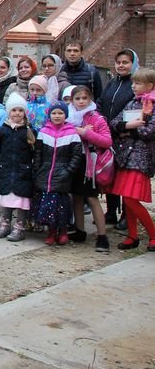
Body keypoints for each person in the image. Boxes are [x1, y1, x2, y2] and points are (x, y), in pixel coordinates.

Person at [108, 67, 155, 251]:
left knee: (130, 199)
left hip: (141, 157)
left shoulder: (152, 105)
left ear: (149, 85)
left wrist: (130, 130)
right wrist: (128, 125)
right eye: (133, 82)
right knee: (126, 198)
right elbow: (115, 122)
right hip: (125, 156)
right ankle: (132, 235)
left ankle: (152, 234)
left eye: (138, 83)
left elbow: (149, 131)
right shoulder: (133, 103)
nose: (133, 86)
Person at [66, 86, 111, 251]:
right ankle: (79, 230)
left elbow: (106, 141)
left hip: (89, 163)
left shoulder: (97, 118)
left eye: (84, 98)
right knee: (76, 196)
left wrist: (86, 133)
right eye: (77, 99)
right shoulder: (68, 116)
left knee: (91, 198)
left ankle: (102, 236)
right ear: (72, 101)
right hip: (74, 161)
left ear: (90, 99)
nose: (81, 101)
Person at [97, 48, 139, 227]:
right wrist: (99, 120)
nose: (121, 66)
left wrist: (116, 124)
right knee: (110, 173)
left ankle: (126, 216)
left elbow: (132, 109)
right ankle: (111, 210)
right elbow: (100, 102)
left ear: (133, 64)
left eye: (125, 63)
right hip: (109, 135)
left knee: (124, 176)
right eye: (119, 62)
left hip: (126, 137)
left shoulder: (135, 85)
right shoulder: (112, 83)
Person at [34, 102, 83, 246]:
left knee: (61, 206)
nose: (57, 116)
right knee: (48, 206)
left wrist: (68, 171)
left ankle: (62, 231)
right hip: (46, 173)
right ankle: (51, 231)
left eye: (60, 113)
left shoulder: (72, 133)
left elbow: (76, 155)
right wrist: (37, 169)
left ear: (65, 115)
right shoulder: (43, 132)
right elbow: (38, 153)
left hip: (62, 174)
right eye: (54, 113)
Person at [0, 93, 36, 242]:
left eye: (20, 110)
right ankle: (5, 225)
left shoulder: (28, 131)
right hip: (6, 168)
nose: (17, 113)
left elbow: (33, 150)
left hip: (22, 170)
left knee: (21, 200)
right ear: (9, 112)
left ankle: (20, 227)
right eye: (14, 110)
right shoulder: (3, 129)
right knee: (7, 198)